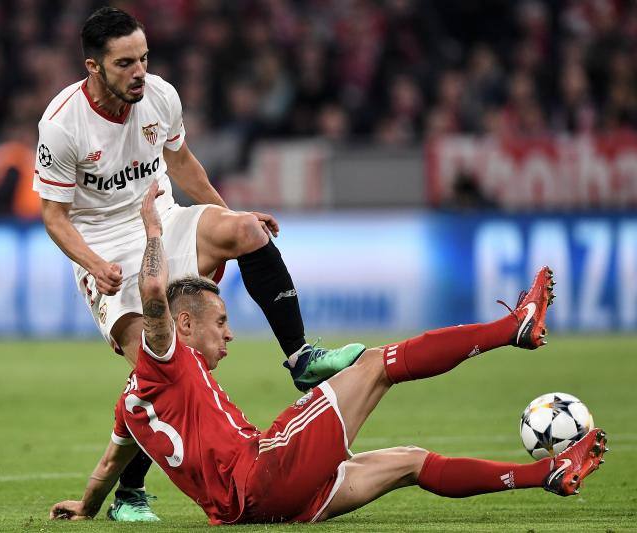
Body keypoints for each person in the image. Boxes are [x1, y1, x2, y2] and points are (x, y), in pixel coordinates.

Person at [49, 182, 607, 525]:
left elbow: (107, 466)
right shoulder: (165, 354)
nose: (231, 335)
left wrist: (87, 507)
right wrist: (152, 230)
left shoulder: (131, 404)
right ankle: (515, 326)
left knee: (409, 462)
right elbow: (153, 296)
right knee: (376, 365)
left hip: (252, 511)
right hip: (266, 469)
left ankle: (548, 475)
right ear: (184, 324)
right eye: (221, 322)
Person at [33, 6, 362, 521]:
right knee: (166, 364)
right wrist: (94, 264)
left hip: (161, 217)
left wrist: (229, 214)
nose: (139, 71)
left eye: (143, 58)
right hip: (104, 244)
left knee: (248, 232)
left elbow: (182, 163)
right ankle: (130, 493)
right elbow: (53, 216)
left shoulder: (160, 96)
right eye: (124, 63)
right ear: (93, 67)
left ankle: (301, 358)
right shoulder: (61, 125)